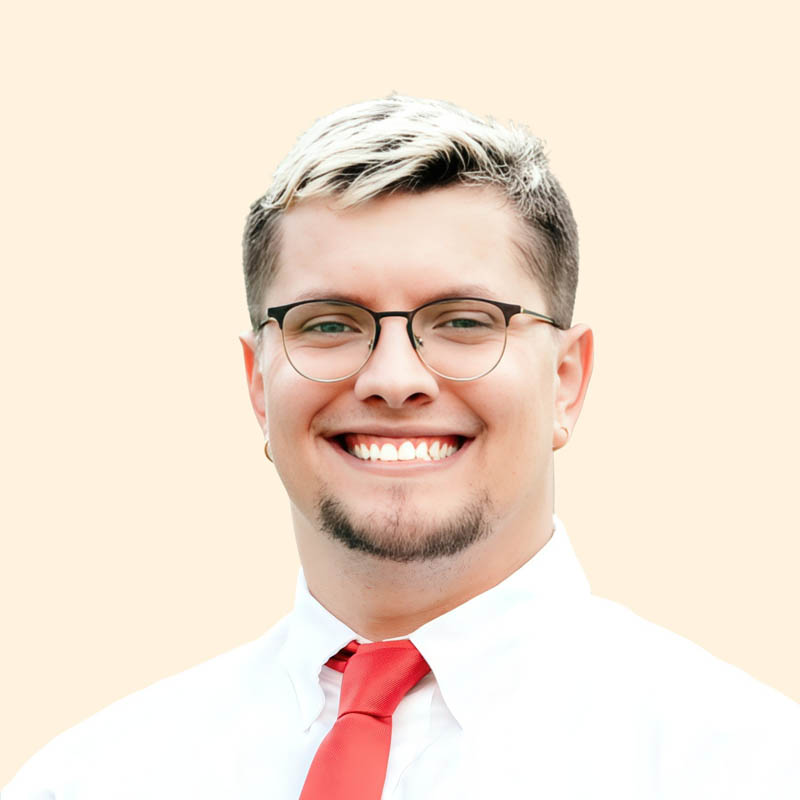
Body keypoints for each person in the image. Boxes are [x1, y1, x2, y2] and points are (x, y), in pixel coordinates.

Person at [4, 95, 798, 799]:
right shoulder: (89, 780)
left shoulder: (750, 770)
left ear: (566, 380)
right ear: (258, 385)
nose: (393, 379)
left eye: (464, 321)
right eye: (328, 323)